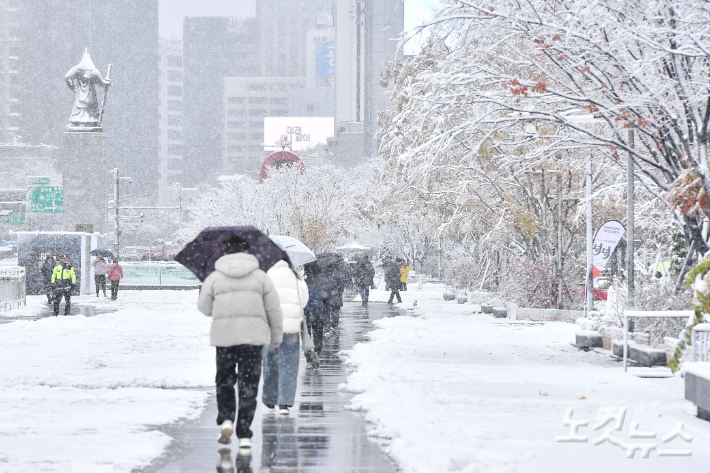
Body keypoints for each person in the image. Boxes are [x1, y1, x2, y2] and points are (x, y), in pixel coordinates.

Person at [197, 235, 283, 449]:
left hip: (224, 338)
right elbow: (274, 310)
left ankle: (226, 419)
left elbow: (204, 308)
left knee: (225, 381)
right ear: (247, 253)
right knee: (249, 385)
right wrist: (276, 337)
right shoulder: (261, 277)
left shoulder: (214, 278)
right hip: (253, 339)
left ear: (225, 253)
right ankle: (244, 433)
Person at [262, 257, 309, 416]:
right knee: (289, 366)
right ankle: (284, 404)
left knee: (270, 365)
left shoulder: (265, 275)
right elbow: (303, 302)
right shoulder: (297, 277)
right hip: (291, 329)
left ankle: (269, 401)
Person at [304, 264, 325, 356]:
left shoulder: (303, 282)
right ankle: (317, 351)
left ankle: (308, 357)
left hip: (306, 313)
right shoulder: (322, 282)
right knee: (318, 334)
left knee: (306, 336)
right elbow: (326, 297)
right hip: (318, 313)